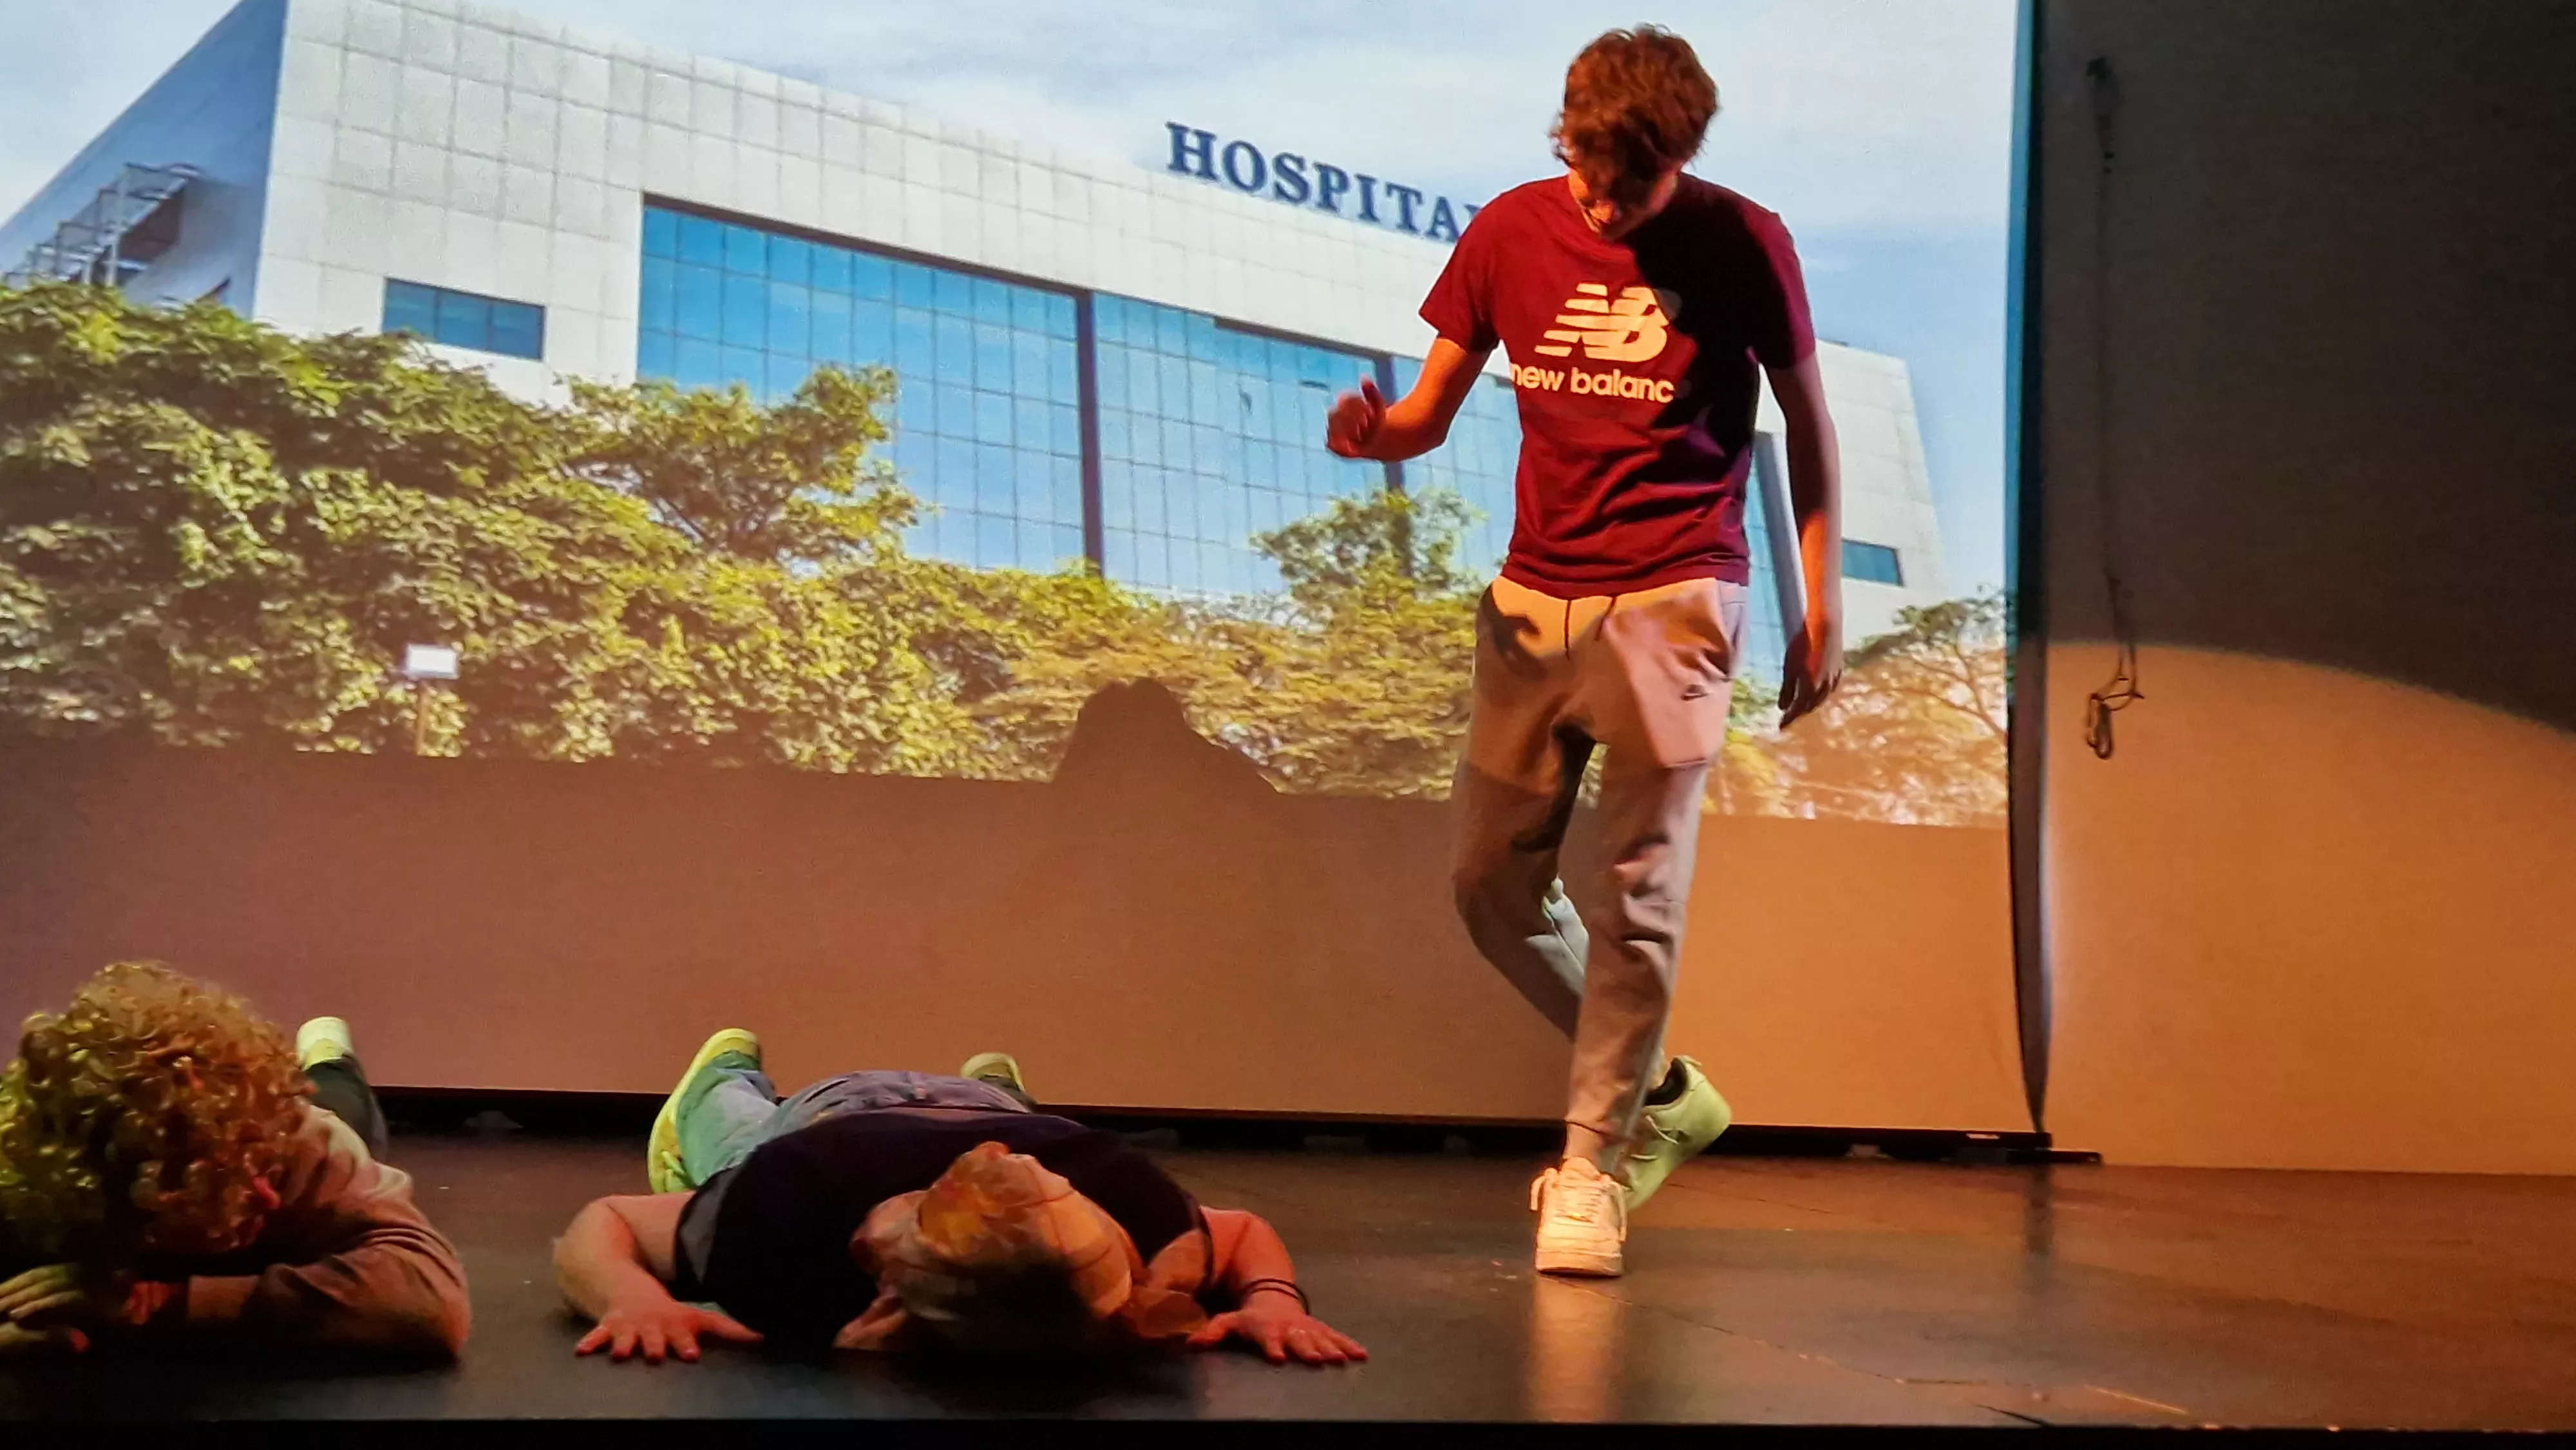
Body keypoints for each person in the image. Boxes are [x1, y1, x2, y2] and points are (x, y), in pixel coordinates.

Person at [1325, 26, 1844, 1278]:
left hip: (1674, 599)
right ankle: (1662, 1090)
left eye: (1635, 186)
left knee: (1638, 900)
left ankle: (1590, 1168)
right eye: (1586, 175)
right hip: (1529, 603)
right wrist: (1371, 437)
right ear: (1561, 133)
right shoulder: (1508, 230)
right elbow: (1426, 413)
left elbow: (1808, 423)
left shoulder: (1741, 242)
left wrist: (1820, 604)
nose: (1605, 208)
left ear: (1681, 156)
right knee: (1487, 892)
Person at [553, 1031, 1367, 1366]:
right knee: (733, 1129)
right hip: (834, 1115)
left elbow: (1241, 1230)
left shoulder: (1134, 1205)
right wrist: (634, 1295)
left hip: (1008, 1127)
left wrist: (1272, 1296)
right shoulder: (789, 1209)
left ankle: (990, 1090)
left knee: (1008, 1114)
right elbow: (609, 1218)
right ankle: (724, 1069)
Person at [0, 963, 469, 1357]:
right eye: (219, 1182)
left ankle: (326, 1050)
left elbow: (430, 1302)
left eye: (257, 1163)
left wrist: (157, 1303)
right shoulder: (35, 1183)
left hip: (321, 1120)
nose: (266, 1196)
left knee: (339, 1097)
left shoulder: (295, 1137)